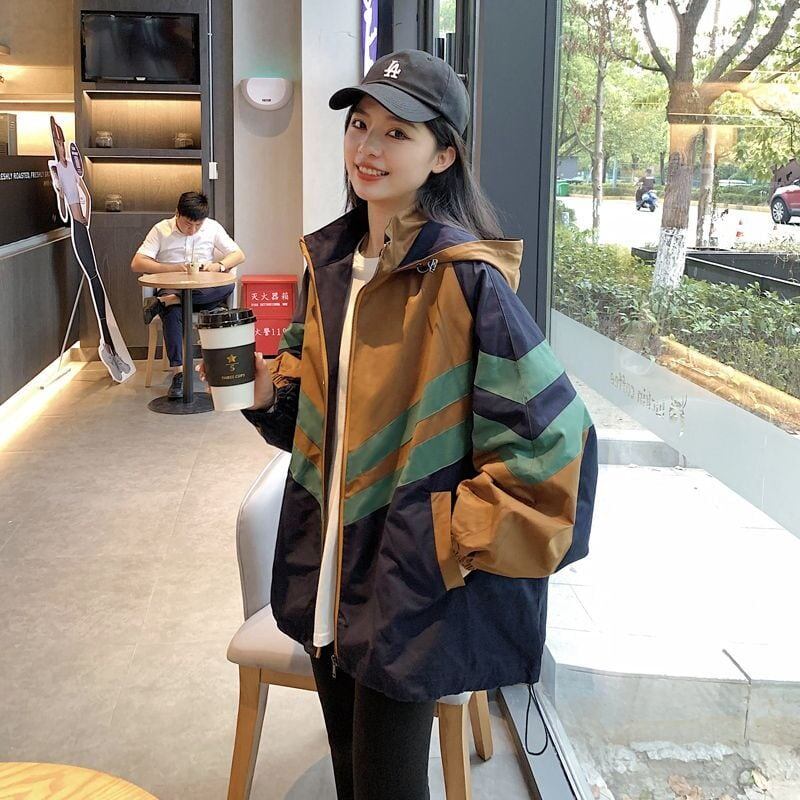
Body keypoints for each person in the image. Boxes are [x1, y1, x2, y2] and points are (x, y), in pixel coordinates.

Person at [210, 50, 598, 800]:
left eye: (397, 132)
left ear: (442, 154)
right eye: (360, 125)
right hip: (325, 569)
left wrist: (442, 538)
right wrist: (261, 393)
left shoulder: (465, 279)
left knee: (388, 787)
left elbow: (556, 446)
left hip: (405, 588)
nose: (368, 147)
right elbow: (303, 425)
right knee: (353, 778)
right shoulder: (327, 265)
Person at [130, 192, 245, 399]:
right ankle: (178, 374)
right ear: (177, 214)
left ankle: (163, 302)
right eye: (187, 224)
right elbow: (137, 263)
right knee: (173, 313)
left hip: (205, 290)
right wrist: (172, 268)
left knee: (227, 285)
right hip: (173, 287)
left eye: (198, 226)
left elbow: (238, 255)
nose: (192, 230)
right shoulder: (161, 229)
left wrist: (219, 266)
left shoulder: (212, 227)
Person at [48, 117, 133, 382]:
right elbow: (63, 210)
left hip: (82, 225)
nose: (60, 144)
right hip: (76, 228)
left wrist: (85, 214)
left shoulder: (72, 168)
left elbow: (85, 192)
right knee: (93, 277)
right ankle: (110, 347)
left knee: (95, 279)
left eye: (61, 140)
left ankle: (111, 347)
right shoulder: (55, 169)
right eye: (57, 141)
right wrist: (64, 197)